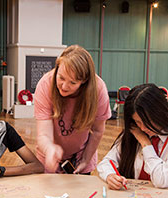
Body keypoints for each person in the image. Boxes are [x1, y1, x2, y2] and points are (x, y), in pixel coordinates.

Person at [97, 84, 168, 189]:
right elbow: (106, 163)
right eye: (138, 122)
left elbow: (162, 181)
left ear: (160, 114)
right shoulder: (134, 130)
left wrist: (146, 144)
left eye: (148, 122)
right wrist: (110, 175)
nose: (143, 128)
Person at [34, 45, 111, 174]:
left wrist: (85, 160)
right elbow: (43, 134)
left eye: (73, 83)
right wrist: (49, 149)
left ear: (84, 81)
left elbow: (97, 131)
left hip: (81, 158)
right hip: (49, 159)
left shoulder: (98, 89)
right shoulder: (45, 84)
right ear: (57, 68)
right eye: (61, 78)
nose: (64, 86)